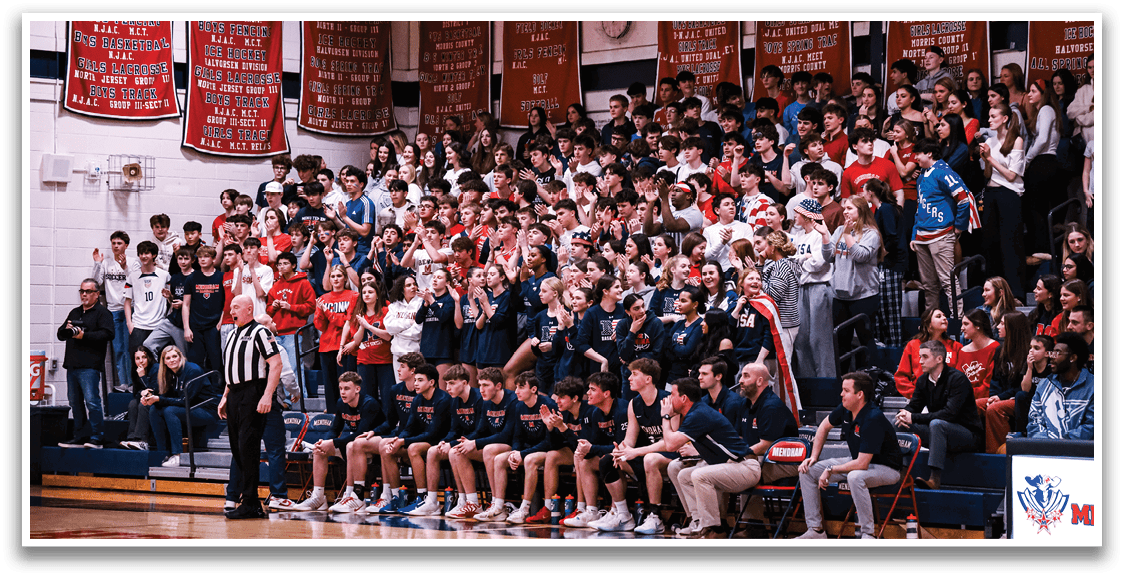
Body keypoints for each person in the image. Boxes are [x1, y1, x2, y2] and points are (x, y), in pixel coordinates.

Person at [614, 377, 755, 539]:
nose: (667, 399)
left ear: (683, 398)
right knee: (678, 470)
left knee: (698, 475)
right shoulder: (693, 412)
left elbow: (671, 445)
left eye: (672, 394)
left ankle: (714, 529)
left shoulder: (699, 414)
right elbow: (673, 443)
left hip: (744, 466)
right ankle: (697, 521)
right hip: (726, 465)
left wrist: (665, 417)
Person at [795, 372, 901, 539]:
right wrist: (814, 457)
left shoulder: (873, 417)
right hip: (858, 461)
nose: (841, 394)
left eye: (846, 390)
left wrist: (831, 469)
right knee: (807, 470)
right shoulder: (845, 409)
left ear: (860, 395)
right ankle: (815, 530)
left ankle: (868, 534)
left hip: (887, 469)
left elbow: (862, 464)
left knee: (855, 477)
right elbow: (823, 427)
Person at [588, 359, 677, 533]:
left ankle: (655, 517)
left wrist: (634, 452)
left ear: (648, 379)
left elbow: (671, 443)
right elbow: (629, 440)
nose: (629, 378)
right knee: (608, 460)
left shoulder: (668, 400)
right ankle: (622, 515)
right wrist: (620, 450)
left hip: (671, 454)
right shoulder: (633, 404)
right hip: (648, 453)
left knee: (650, 459)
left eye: (634, 374)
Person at [219, 295, 282, 519]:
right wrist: (225, 396)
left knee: (248, 447)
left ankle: (251, 502)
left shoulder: (260, 332)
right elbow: (232, 370)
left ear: (249, 309)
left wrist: (267, 395)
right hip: (235, 393)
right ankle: (250, 501)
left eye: (236, 307)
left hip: (253, 392)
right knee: (237, 449)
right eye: (231, 306)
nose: (231, 310)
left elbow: (276, 364)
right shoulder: (233, 333)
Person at [894, 340, 982, 490]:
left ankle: (934, 479)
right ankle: (901, 473)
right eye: (919, 356)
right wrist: (904, 414)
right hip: (940, 432)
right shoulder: (923, 380)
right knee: (900, 423)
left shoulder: (957, 379)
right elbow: (914, 406)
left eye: (924, 357)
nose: (920, 361)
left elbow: (949, 414)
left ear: (939, 359)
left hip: (967, 435)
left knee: (937, 424)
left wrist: (914, 417)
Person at [473, 372, 557, 522]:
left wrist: (522, 454)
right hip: (526, 449)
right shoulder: (519, 406)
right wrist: (515, 451)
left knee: (530, 459)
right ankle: (498, 507)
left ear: (533, 389)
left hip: (546, 450)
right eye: (516, 387)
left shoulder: (548, 405)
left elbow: (549, 442)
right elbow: (517, 436)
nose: (516, 391)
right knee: (499, 459)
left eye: (521, 387)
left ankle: (524, 509)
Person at [444, 367, 517, 519]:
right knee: (457, 451)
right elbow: (481, 430)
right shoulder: (486, 402)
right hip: (493, 445)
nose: (481, 389)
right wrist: (467, 442)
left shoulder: (512, 400)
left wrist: (476, 443)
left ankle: (498, 505)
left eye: (486, 385)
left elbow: (506, 435)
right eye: (480, 385)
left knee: (489, 450)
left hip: (513, 445)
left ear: (498, 386)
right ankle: (472, 503)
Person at [818, 196, 882, 368]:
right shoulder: (839, 230)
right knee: (841, 343)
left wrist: (847, 234)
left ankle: (870, 381)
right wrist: (825, 236)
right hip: (840, 295)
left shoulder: (871, 234)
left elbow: (860, 256)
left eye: (849, 208)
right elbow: (828, 257)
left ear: (860, 211)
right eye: (844, 208)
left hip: (864, 296)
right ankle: (845, 384)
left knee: (865, 340)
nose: (845, 211)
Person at [912, 138, 973, 312]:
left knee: (948, 281)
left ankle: (958, 319)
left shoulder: (943, 172)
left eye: (918, 153)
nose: (915, 157)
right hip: (922, 236)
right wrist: (914, 234)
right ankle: (932, 321)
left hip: (941, 234)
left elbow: (963, 199)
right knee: (928, 285)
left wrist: (959, 226)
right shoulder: (922, 176)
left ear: (929, 153)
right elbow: (920, 207)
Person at [56, 279, 115, 449]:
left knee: (92, 401)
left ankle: (97, 437)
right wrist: (67, 329)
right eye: (82, 291)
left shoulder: (103, 313)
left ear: (97, 294)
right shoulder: (74, 312)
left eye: (88, 291)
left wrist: (85, 336)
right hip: (72, 365)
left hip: (90, 365)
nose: (84, 294)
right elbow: (60, 334)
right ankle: (79, 435)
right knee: (74, 402)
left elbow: (108, 334)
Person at [145, 345, 221, 467]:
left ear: (181, 357)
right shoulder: (170, 373)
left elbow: (185, 401)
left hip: (206, 410)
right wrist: (149, 396)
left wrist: (158, 399)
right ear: (164, 361)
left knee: (170, 411)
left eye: (175, 356)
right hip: (190, 408)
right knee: (155, 409)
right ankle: (163, 452)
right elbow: (166, 395)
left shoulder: (192, 370)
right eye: (168, 358)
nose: (172, 360)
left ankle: (178, 455)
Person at [979, 103, 1026, 295]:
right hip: (990, 193)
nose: (989, 120)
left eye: (993, 116)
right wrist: (984, 158)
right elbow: (988, 173)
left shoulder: (1016, 140)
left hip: (1009, 194)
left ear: (1005, 118)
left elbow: (1011, 176)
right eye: (989, 117)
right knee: (990, 243)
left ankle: (1015, 292)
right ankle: (992, 292)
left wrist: (989, 158)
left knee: (1010, 244)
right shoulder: (990, 142)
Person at [790, 199, 836, 378]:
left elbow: (818, 263)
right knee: (800, 339)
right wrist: (803, 259)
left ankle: (826, 380)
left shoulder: (820, 235)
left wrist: (799, 261)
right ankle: (808, 380)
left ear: (808, 216)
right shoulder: (799, 236)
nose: (794, 216)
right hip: (801, 288)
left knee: (819, 339)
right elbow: (791, 261)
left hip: (819, 287)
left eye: (797, 213)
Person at [860, 179, 906, 348]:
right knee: (883, 308)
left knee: (891, 309)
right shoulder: (882, 209)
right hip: (887, 264)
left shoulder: (886, 209)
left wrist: (882, 253)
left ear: (871, 192)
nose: (863, 194)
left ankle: (895, 348)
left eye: (864, 190)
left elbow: (892, 236)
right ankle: (886, 346)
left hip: (891, 265)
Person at [977, 312, 1032, 453]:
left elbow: (1022, 386)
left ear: (1013, 327)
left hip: (1022, 398)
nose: (998, 327)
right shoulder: (1000, 350)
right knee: (976, 405)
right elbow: (995, 380)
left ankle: (999, 452)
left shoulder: (1028, 351)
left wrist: (1000, 398)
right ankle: (975, 446)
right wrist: (993, 397)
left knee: (994, 409)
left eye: (1002, 323)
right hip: (1003, 396)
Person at [92, 231, 140, 391]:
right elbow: (96, 282)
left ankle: (133, 383)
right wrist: (98, 263)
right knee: (118, 349)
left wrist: (125, 266)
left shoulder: (134, 262)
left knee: (129, 348)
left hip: (130, 311)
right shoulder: (106, 263)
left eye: (119, 243)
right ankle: (124, 382)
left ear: (126, 245)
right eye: (113, 243)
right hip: (112, 311)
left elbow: (136, 282)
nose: (116, 246)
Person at [1027, 333, 1093, 440]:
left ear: (1072, 358)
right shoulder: (1043, 385)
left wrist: (1062, 443)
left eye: (1058, 353)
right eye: (1052, 352)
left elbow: (1091, 426)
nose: (1052, 357)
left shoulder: (1093, 387)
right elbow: (1034, 422)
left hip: (1079, 452)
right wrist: (1047, 444)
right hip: (1044, 451)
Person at [314, 265, 358, 414]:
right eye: (333, 276)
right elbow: (320, 325)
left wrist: (327, 311)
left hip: (345, 346)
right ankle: (333, 414)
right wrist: (320, 310)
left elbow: (345, 321)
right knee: (330, 383)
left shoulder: (354, 296)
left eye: (339, 276)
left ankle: (350, 412)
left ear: (345, 278)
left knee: (347, 383)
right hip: (326, 346)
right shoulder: (323, 298)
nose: (336, 279)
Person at [894, 306, 962, 398]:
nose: (944, 318)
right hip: (921, 398)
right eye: (938, 316)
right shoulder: (913, 345)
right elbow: (901, 376)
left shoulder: (956, 346)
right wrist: (915, 394)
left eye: (944, 316)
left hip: (948, 398)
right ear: (929, 324)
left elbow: (961, 377)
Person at [123, 241, 171, 359]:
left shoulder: (164, 275)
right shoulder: (132, 276)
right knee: (137, 363)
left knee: (158, 363)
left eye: (147, 253)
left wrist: (169, 297)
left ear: (154, 255)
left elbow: (171, 300)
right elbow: (127, 302)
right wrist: (129, 324)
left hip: (158, 325)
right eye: (141, 253)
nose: (143, 256)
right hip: (139, 326)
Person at [956, 309, 1000, 400]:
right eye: (962, 324)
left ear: (978, 325)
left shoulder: (994, 348)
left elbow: (989, 385)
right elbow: (958, 382)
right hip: (965, 399)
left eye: (966, 324)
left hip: (985, 399)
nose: (962, 328)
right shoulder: (963, 351)